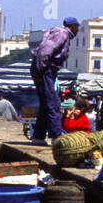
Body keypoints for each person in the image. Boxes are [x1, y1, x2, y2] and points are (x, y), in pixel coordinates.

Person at [29, 16, 80, 144]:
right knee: (53, 103)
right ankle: (56, 136)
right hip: (45, 69)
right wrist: (40, 72)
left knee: (46, 104)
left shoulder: (59, 34)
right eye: (77, 27)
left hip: (45, 70)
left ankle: (38, 137)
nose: (77, 30)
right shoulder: (62, 34)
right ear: (73, 26)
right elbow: (45, 52)